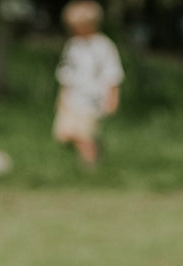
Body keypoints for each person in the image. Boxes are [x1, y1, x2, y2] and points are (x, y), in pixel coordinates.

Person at [53, 0, 124, 168]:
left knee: (84, 133)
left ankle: (90, 167)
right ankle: (93, 151)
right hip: (72, 98)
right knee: (63, 134)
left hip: (93, 99)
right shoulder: (73, 46)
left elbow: (112, 74)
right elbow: (66, 74)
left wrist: (113, 97)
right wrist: (61, 96)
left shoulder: (103, 46)